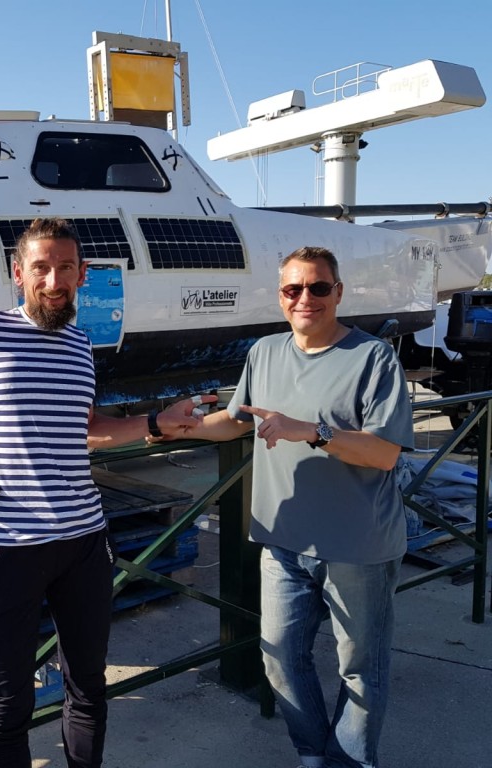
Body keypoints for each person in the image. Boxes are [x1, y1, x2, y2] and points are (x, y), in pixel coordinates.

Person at [0, 217, 202, 768]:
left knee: (88, 688)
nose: (53, 280)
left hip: (84, 541)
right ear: (19, 274)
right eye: (41, 268)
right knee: (8, 705)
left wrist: (156, 421)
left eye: (65, 268)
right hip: (10, 547)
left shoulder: (81, 345)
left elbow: (85, 430)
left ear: (82, 276)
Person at [160, 246, 413, 768]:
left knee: (361, 668)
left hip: (358, 546)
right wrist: (172, 424)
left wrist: (314, 433)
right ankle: (315, 754)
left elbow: (385, 453)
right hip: (282, 541)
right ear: (280, 296)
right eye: (293, 289)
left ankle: (347, 762)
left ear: (338, 292)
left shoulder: (373, 357)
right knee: (277, 659)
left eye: (318, 287)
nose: (306, 299)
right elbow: (237, 420)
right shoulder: (265, 352)